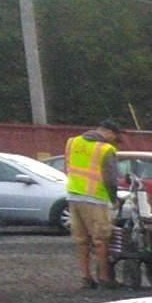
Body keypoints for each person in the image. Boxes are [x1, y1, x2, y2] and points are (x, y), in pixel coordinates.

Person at [63, 121, 124, 289]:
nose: (115, 141)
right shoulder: (105, 149)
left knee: (81, 239)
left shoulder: (72, 142)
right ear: (110, 133)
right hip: (96, 198)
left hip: (74, 196)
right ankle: (105, 278)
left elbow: (67, 167)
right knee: (101, 239)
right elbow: (110, 179)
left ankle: (86, 278)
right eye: (116, 137)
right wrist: (114, 199)